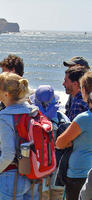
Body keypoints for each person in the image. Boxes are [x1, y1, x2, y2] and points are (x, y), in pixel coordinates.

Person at [0, 72, 39, 200]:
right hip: (34, 173)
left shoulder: (4, 117)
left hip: (11, 175)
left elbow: (8, 154)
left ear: (6, 94)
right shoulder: (33, 111)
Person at [56, 71, 92, 200]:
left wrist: (69, 141)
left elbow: (60, 142)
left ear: (84, 90)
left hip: (79, 172)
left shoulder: (83, 118)